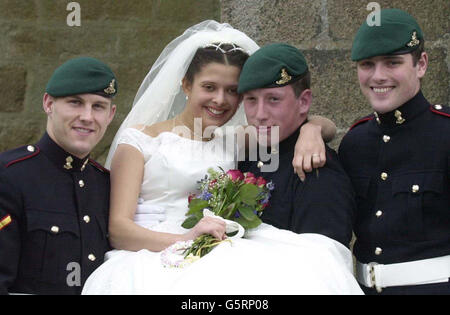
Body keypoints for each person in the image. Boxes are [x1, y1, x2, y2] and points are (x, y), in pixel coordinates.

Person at [82, 20, 362, 295]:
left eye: (232, 91)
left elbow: (301, 122)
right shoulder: (141, 141)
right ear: (186, 85)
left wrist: (313, 131)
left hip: (222, 249)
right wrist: (184, 240)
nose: (220, 100)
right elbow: (118, 230)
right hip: (155, 252)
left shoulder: (234, 139)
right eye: (209, 87)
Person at [338, 8, 450, 294]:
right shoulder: (355, 142)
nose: (378, 76)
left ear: (421, 64)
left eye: (392, 63)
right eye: (367, 64)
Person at [0, 57, 117, 295]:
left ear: (111, 115)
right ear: (48, 104)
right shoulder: (10, 176)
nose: (87, 116)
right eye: (75, 102)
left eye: (98, 106)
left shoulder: (107, 185)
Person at [238, 43, 355, 248]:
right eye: (251, 100)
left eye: (273, 99)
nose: (260, 114)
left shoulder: (315, 169)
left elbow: (323, 262)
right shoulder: (247, 157)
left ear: (303, 102)